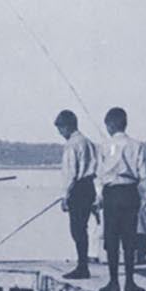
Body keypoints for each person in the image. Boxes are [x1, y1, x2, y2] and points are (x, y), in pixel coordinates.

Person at [95, 106, 146, 291]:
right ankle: (130, 282)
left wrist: (99, 198)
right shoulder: (136, 145)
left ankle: (114, 282)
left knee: (112, 237)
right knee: (129, 238)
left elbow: (99, 176)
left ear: (110, 125)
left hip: (111, 193)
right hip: (130, 193)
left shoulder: (104, 146)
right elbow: (144, 175)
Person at [54, 110, 99, 279]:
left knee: (77, 229)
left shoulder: (72, 145)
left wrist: (65, 196)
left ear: (67, 127)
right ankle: (83, 264)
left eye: (60, 129)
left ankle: (82, 267)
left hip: (77, 188)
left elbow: (70, 173)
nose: (60, 133)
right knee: (83, 227)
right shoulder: (88, 142)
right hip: (89, 186)